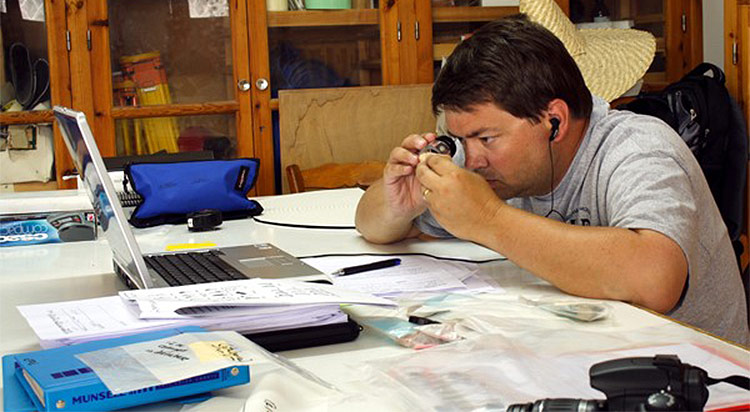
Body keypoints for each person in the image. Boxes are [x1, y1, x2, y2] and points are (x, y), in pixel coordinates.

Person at [355, 4, 749, 344]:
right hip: (580, 354)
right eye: (460, 139)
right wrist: (399, 200)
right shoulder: (497, 163)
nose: (471, 160)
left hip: (702, 378)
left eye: (486, 138)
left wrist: (489, 219)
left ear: (554, 121)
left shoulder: (639, 148)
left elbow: (655, 279)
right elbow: (373, 226)